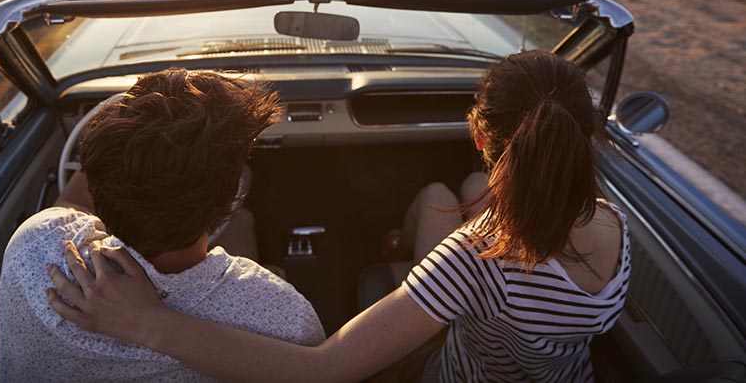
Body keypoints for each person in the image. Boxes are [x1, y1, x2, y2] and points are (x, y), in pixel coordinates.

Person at [47, 51, 630, 383]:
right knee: (452, 193)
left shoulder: (474, 259)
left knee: (434, 199)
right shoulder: (613, 225)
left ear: (478, 135)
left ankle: (396, 248)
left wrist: (149, 323)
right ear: (587, 138)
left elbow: (325, 372)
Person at [0, 69, 325, 383]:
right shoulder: (282, 318)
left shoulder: (34, 245)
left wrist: (124, 141)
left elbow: (71, 205)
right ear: (230, 200)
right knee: (244, 224)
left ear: (97, 178)